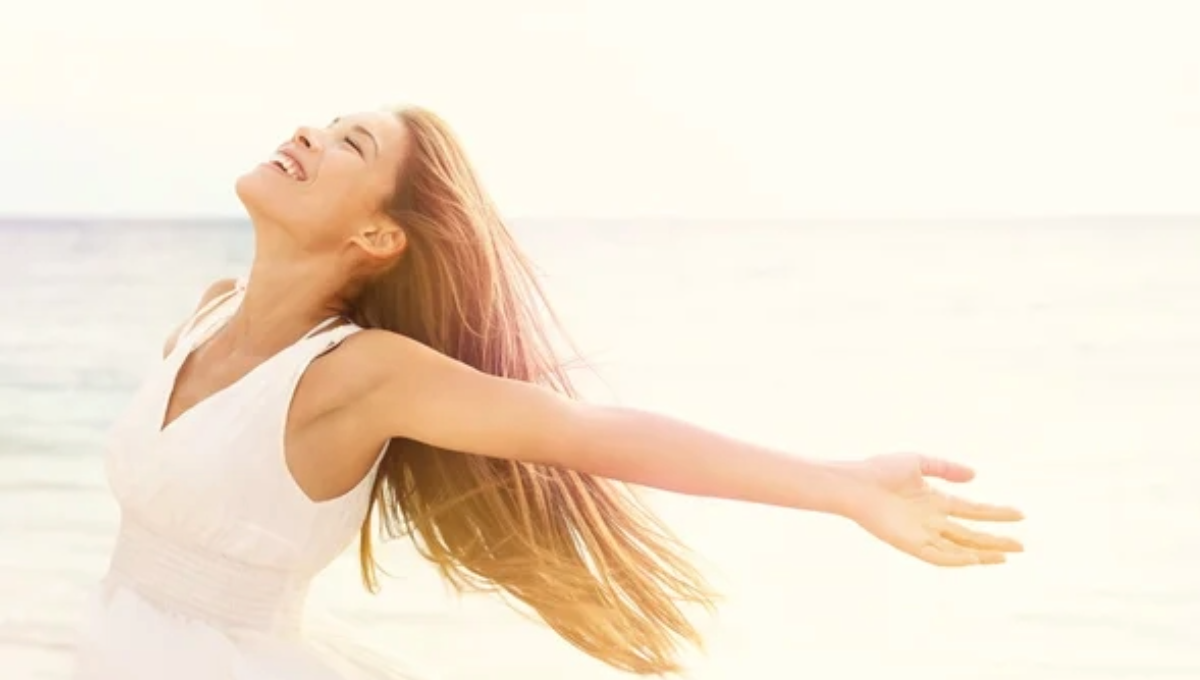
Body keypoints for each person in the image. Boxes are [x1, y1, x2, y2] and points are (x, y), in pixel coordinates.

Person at [73, 106, 1024, 679]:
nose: (306, 134)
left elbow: (592, 433)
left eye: (346, 143)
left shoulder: (360, 375)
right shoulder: (204, 315)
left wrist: (846, 483)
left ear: (377, 238)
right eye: (322, 123)